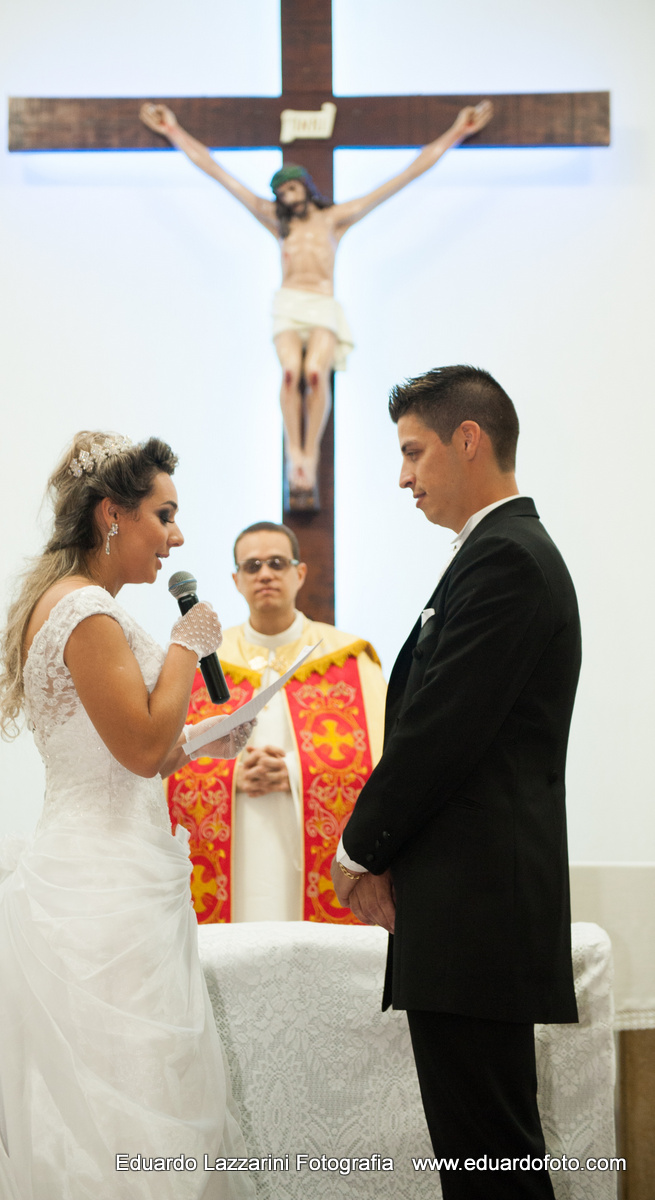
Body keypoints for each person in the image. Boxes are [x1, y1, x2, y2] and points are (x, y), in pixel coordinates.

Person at [0, 432, 256, 1200]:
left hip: (106, 867)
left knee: (113, 1091)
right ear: (111, 515)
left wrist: (209, 741)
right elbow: (141, 750)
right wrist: (187, 646)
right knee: (111, 1096)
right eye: (165, 514)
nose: (177, 537)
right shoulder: (85, 610)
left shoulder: (82, 605)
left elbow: (127, 741)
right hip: (99, 895)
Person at [331, 366, 581, 1200]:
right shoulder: (493, 553)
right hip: (469, 910)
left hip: (476, 910)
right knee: (484, 1159)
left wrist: (357, 848)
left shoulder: (506, 559)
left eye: (413, 452)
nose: (402, 476)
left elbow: (441, 727)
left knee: (491, 1163)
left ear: (466, 439)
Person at [139, 101, 493, 506]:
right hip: (288, 305)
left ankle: (312, 451)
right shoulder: (275, 222)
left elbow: (404, 177)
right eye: (281, 193)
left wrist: (456, 133)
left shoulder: (334, 220)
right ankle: (299, 456)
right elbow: (219, 173)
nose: (287, 197)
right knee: (291, 373)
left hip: (322, 304)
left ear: (305, 186)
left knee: (313, 374)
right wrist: (173, 132)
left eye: (291, 188)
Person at [167, 521, 386, 923]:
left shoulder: (350, 659)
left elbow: (381, 763)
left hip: (308, 861)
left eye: (276, 563)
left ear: (299, 573)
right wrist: (228, 779)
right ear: (236, 580)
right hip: (237, 853)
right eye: (252, 566)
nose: (264, 574)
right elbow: (166, 762)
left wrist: (294, 770)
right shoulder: (203, 664)